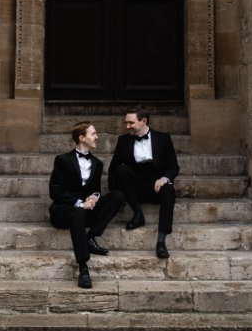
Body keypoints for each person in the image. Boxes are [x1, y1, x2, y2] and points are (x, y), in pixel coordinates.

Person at [48, 121, 124, 289]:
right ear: (82, 138)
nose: (97, 137)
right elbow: (55, 192)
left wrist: (94, 197)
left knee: (117, 196)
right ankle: (83, 268)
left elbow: (96, 190)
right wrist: (80, 203)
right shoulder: (62, 160)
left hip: (85, 212)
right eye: (93, 134)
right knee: (78, 212)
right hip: (64, 210)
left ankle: (90, 237)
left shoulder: (97, 163)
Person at [108, 106, 179, 259]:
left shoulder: (163, 138)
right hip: (134, 189)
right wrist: (115, 194)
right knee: (121, 170)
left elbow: (173, 166)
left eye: (131, 123)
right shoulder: (123, 140)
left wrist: (164, 178)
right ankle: (138, 213)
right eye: (126, 123)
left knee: (169, 190)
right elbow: (113, 169)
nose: (127, 126)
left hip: (156, 186)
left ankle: (161, 241)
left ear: (144, 121)